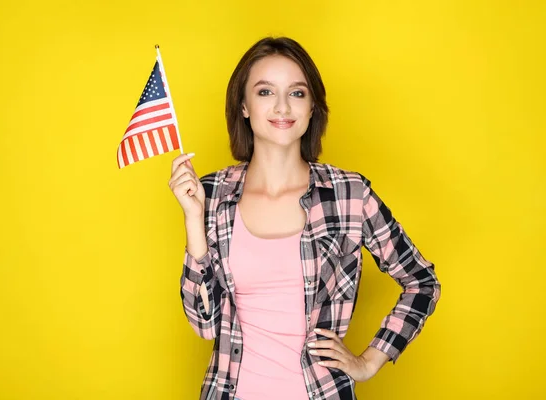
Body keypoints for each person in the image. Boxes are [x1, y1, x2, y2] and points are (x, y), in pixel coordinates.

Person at [169, 37, 441, 400]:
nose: (282, 106)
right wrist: (192, 220)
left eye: (297, 93)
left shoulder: (349, 195)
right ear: (244, 106)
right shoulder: (212, 194)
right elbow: (203, 324)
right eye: (265, 92)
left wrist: (370, 361)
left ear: (313, 107)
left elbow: (422, 282)